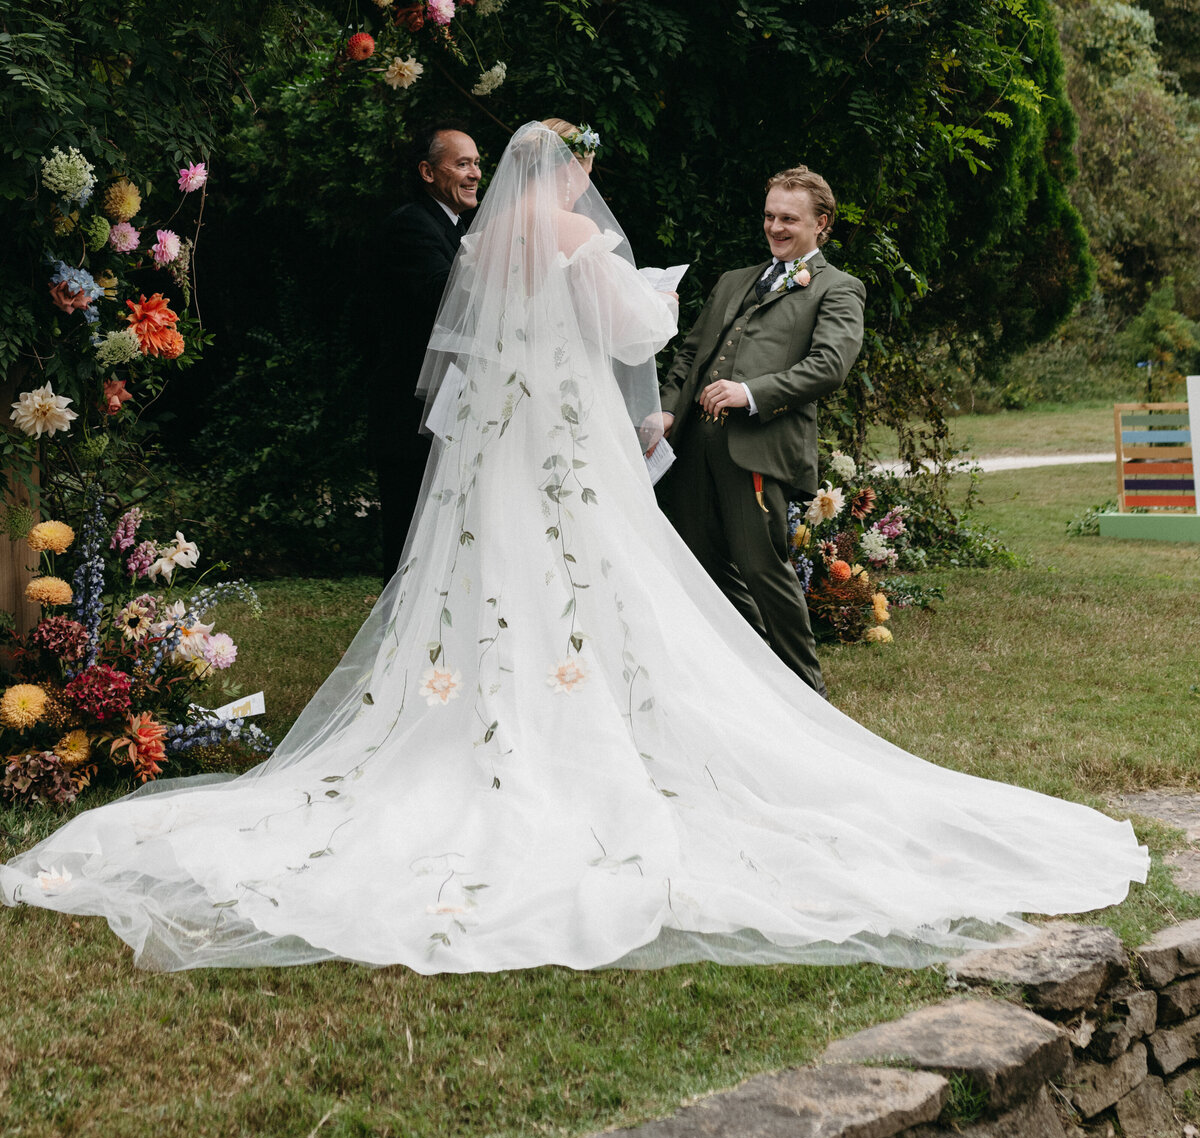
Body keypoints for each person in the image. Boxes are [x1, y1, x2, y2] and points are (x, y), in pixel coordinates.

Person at [0, 124, 1146, 974]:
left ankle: (465, 725)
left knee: (487, 577)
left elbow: (471, 342)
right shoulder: (569, 226)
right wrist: (652, 291)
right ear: (570, 173)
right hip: (568, 438)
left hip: (500, 448)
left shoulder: (493, 231)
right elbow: (634, 331)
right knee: (600, 581)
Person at [646, 167, 864, 697]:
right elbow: (692, 354)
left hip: (759, 449)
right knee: (697, 564)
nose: (776, 227)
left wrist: (751, 393)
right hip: (694, 444)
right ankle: (760, 681)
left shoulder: (838, 289)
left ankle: (806, 693)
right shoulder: (734, 281)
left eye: (789, 218)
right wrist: (669, 410)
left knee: (763, 570)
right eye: (770, 216)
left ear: (822, 224)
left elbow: (829, 365)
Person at [367, 123, 481, 566]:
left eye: (477, 163)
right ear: (428, 172)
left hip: (446, 408)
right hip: (409, 414)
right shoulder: (411, 225)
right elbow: (441, 297)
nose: (474, 174)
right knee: (408, 541)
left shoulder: (458, 226)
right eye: (462, 163)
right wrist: (492, 255)